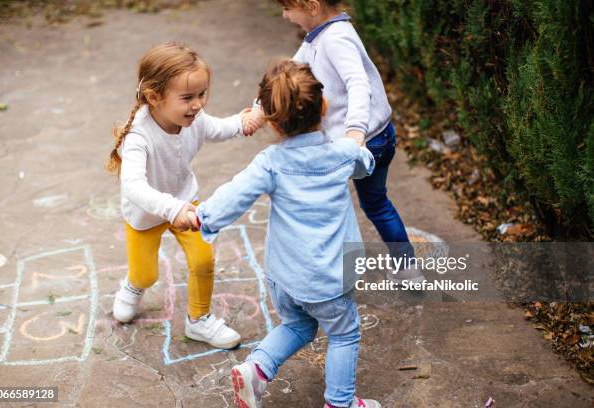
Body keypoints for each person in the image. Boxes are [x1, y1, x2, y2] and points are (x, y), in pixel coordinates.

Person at [193, 59, 381, 408]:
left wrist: (204, 217)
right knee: (343, 333)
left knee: (298, 325)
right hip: (330, 278)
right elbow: (365, 163)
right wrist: (357, 142)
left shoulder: (271, 162)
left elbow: (235, 194)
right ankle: (340, 403)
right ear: (324, 106)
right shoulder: (341, 154)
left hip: (285, 275)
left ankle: (257, 369)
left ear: (273, 123)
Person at [245, 0, 421, 282]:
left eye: (288, 8)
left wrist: (355, 132)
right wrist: (258, 107)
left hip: (361, 143)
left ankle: (324, 272)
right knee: (376, 204)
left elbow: (358, 83)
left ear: (311, 6)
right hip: (378, 136)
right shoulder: (320, 36)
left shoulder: (336, 38)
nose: (284, 15)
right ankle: (407, 268)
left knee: (322, 205)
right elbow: (288, 74)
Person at [106, 42, 248, 349]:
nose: (197, 105)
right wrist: (172, 209)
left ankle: (199, 321)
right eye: (187, 97)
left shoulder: (193, 120)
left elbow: (221, 128)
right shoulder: (138, 137)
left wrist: (244, 122)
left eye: (202, 94)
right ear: (154, 97)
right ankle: (133, 286)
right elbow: (133, 186)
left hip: (186, 201)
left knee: (203, 259)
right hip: (147, 214)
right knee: (146, 275)